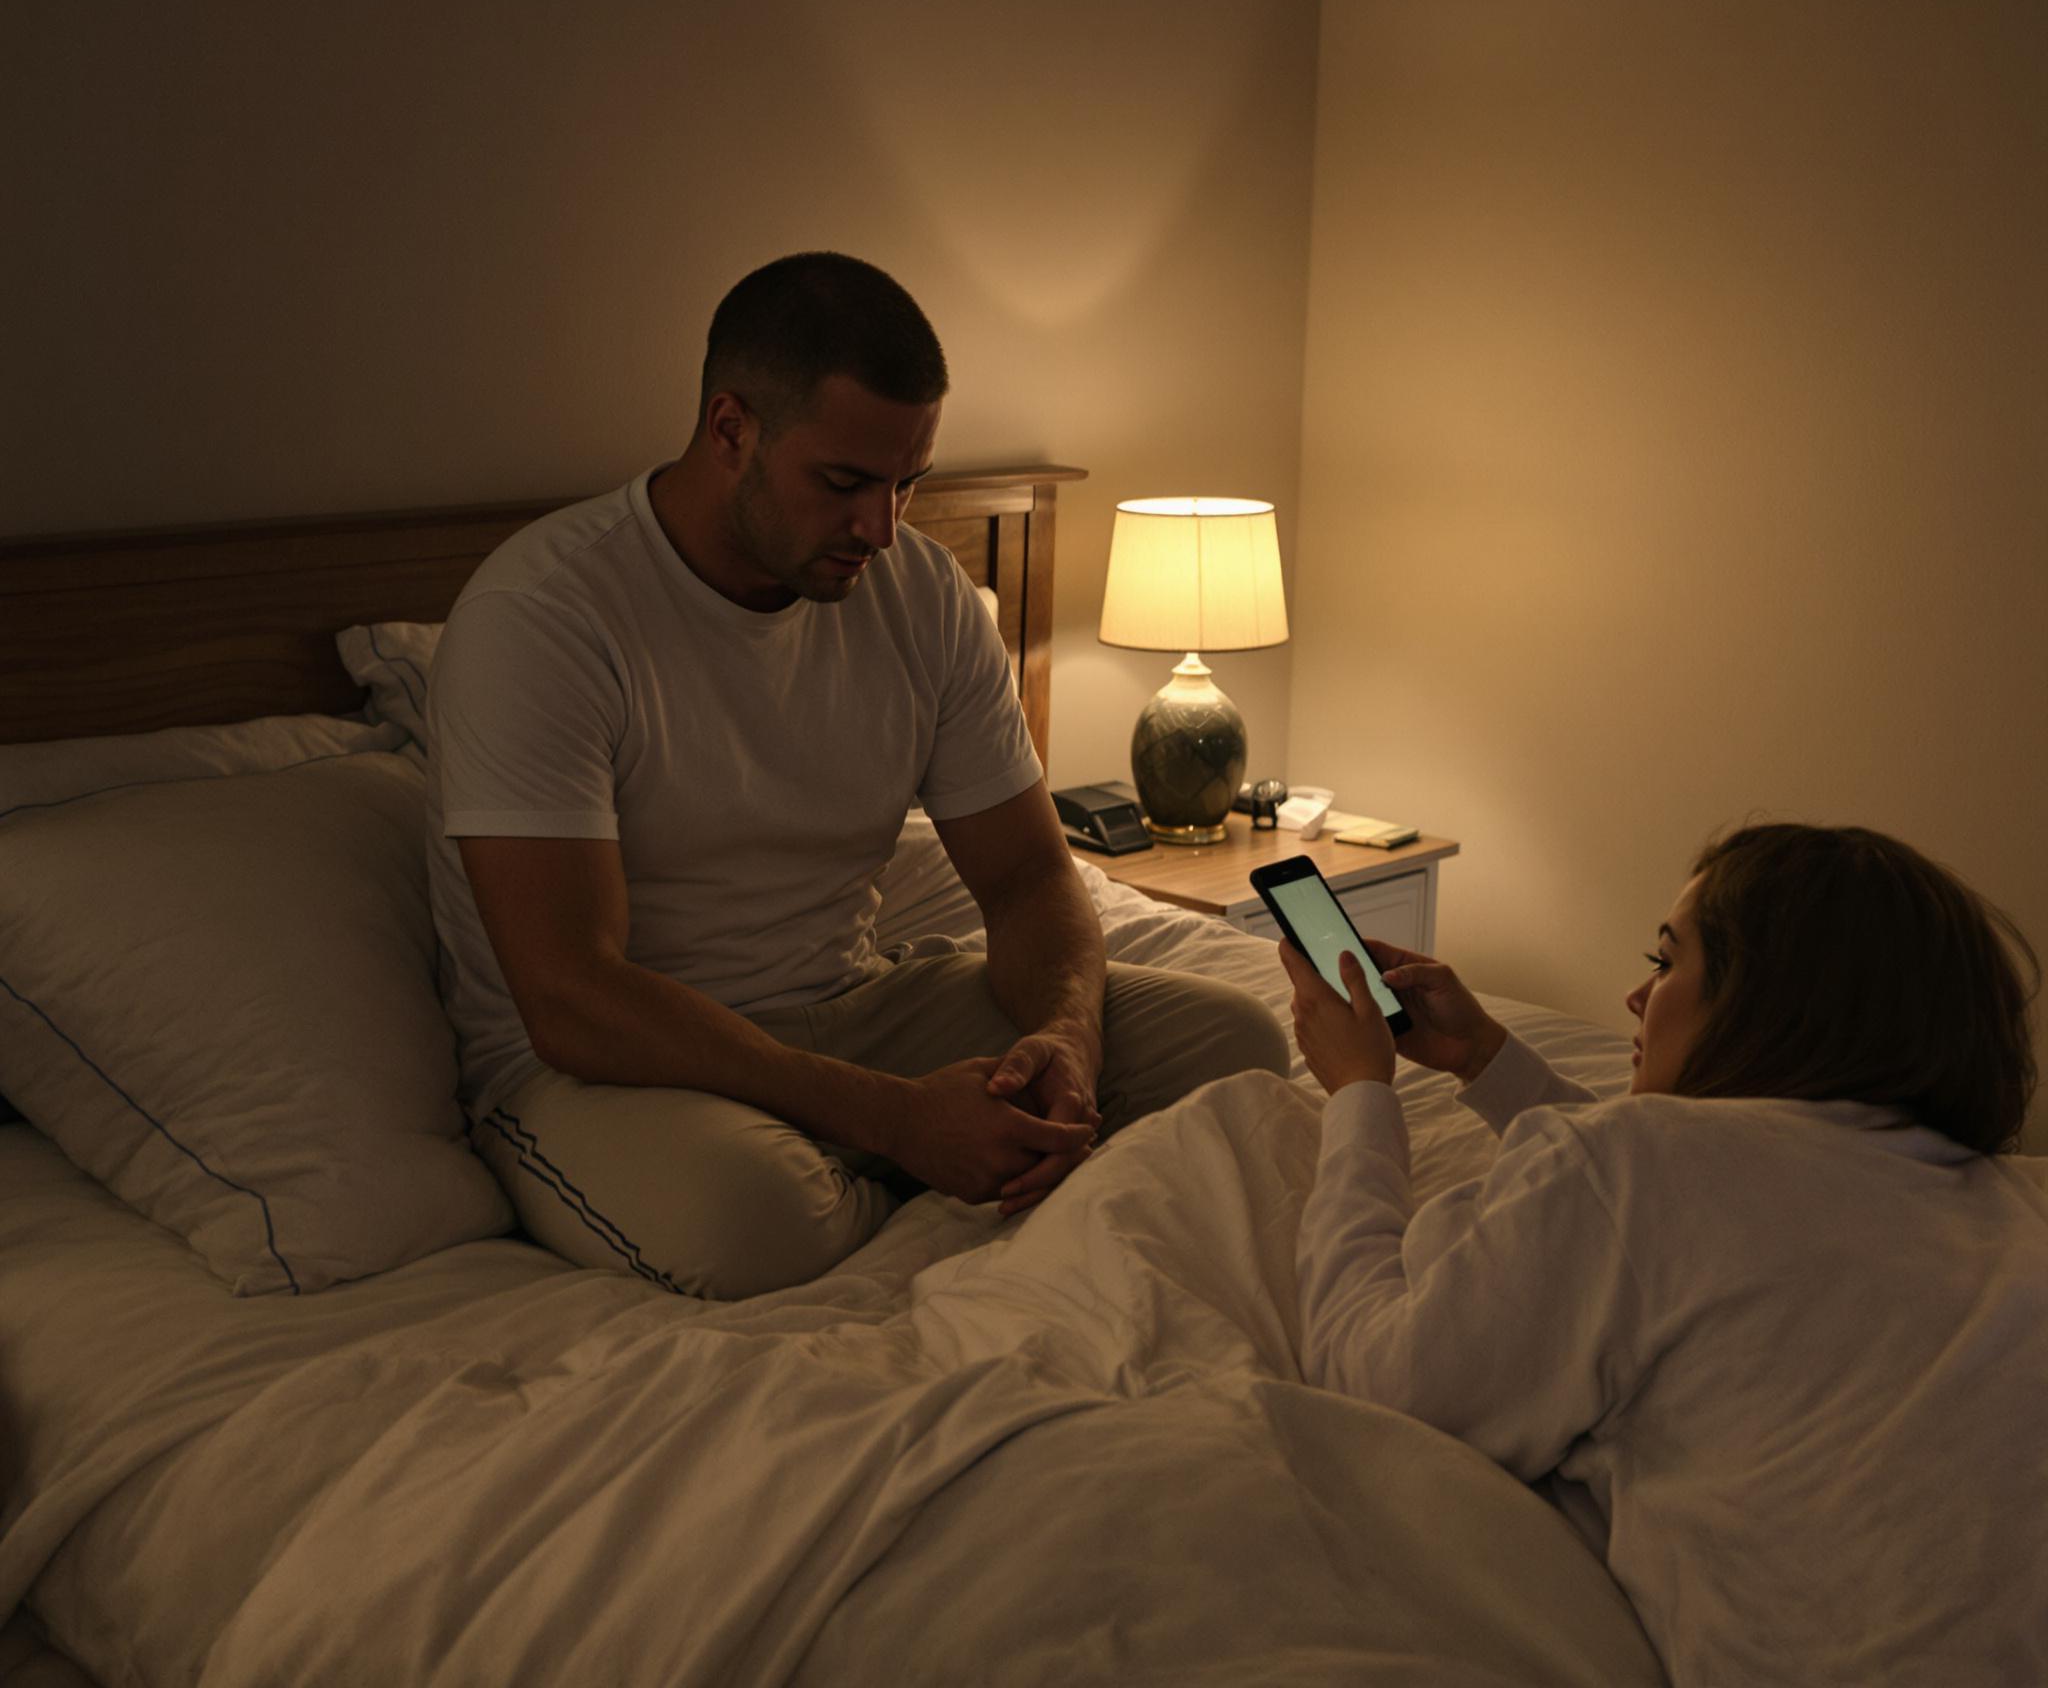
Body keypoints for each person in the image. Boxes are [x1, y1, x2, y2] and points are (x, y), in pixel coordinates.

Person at [427, 251, 1287, 1300]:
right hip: (609, 1066)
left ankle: (926, 1162)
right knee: (746, 1221)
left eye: (906, 482)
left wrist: (1063, 1033)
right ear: (729, 426)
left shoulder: (918, 594)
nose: (881, 527)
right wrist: (892, 1117)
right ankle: (901, 1177)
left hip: (853, 1005)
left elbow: (1025, 877)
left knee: (1235, 1042)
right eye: (842, 483)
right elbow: (572, 996)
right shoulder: (545, 617)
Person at [1282, 822, 2046, 1687]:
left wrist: (1359, 1093)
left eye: (1666, 962)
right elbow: (1712, 1201)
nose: (1636, 1000)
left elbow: (1374, 1380)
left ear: (1767, 1002)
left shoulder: (1636, 1166)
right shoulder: (2012, 1201)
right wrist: (1484, 1058)